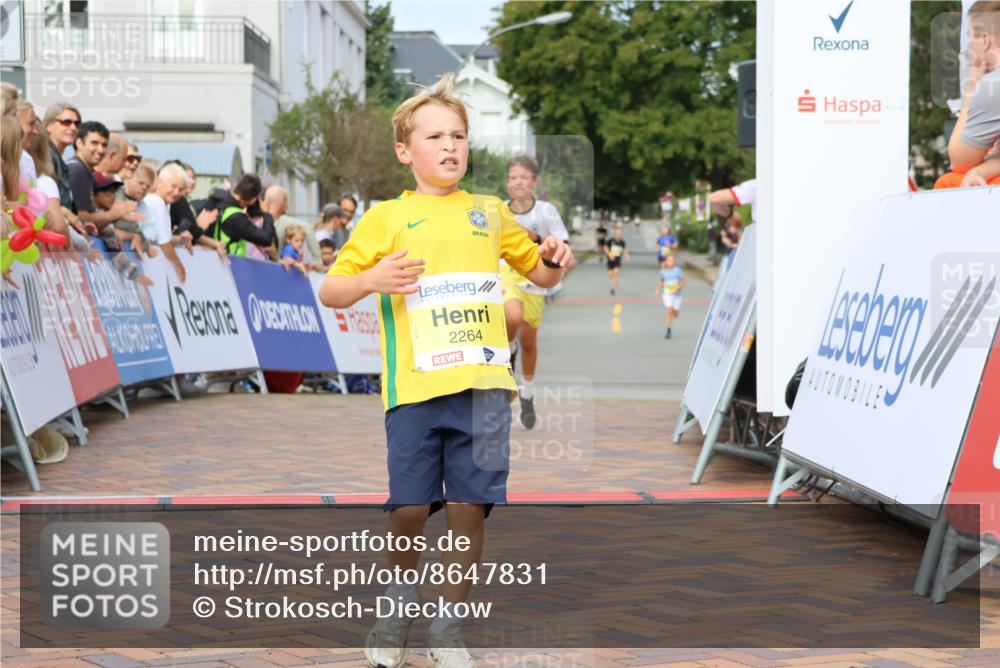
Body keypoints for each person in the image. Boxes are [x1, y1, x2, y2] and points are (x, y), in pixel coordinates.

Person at [318, 73, 573, 668]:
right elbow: (332, 290)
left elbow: (540, 273)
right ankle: (397, 605)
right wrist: (369, 280)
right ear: (407, 151)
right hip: (414, 390)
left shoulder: (489, 212)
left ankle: (448, 625)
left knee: (466, 510)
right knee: (408, 509)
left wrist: (557, 262)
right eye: (435, 136)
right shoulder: (385, 218)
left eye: (458, 135)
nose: (450, 146)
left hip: (484, 391)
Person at [500, 154, 569, 430]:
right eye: (513, 177)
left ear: (534, 182)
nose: (518, 182)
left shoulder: (546, 211)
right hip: (505, 273)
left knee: (529, 341)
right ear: (507, 182)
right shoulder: (498, 211)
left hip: (535, 277)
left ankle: (527, 393)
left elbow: (563, 245)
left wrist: (535, 238)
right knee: (511, 316)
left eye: (524, 177)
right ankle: (507, 357)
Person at [936, 1, 1000, 188]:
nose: (967, 48)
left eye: (969, 36)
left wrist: (971, 91)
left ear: (985, 40)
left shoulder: (992, 87)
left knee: (948, 183)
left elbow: (960, 160)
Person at [67, 120, 138, 235]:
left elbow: (90, 223)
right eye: (94, 143)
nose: (100, 150)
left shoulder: (85, 171)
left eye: (104, 145)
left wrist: (116, 215)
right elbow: (81, 218)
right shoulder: (76, 170)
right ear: (79, 143)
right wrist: (113, 214)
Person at [203, 173, 272, 257]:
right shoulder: (236, 217)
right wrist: (267, 213)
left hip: (208, 257)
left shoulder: (215, 200)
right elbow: (266, 239)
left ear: (235, 186)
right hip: (229, 264)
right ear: (253, 200)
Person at [42, 102, 81, 211]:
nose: (73, 127)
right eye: (66, 122)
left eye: (77, 123)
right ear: (48, 126)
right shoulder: (47, 155)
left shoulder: (57, 157)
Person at [655, 253, 686, 339]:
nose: (671, 262)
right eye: (669, 260)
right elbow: (662, 281)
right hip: (667, 294)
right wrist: (658, 289)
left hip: (677, 295)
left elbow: (683, 281)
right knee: (669, 310)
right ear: (666, 261)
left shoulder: (677, 270)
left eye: (672, 260)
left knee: (675, 314)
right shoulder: (663, 271)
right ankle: (668, 330)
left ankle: (675, 312)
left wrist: (678, 288)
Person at [604, 225, 628, 296]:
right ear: (615, 234)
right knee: (611, 275)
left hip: (617, 260)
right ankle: (614, 281)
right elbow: (605, 247)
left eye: (619, 234)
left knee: (615, 274)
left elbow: (624, 250)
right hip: (610, 260)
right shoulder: (610, 241)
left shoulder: (622, 242)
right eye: (617, 234)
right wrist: (609, 254)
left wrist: (626, 255)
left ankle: (612, 289)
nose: (618, 235)